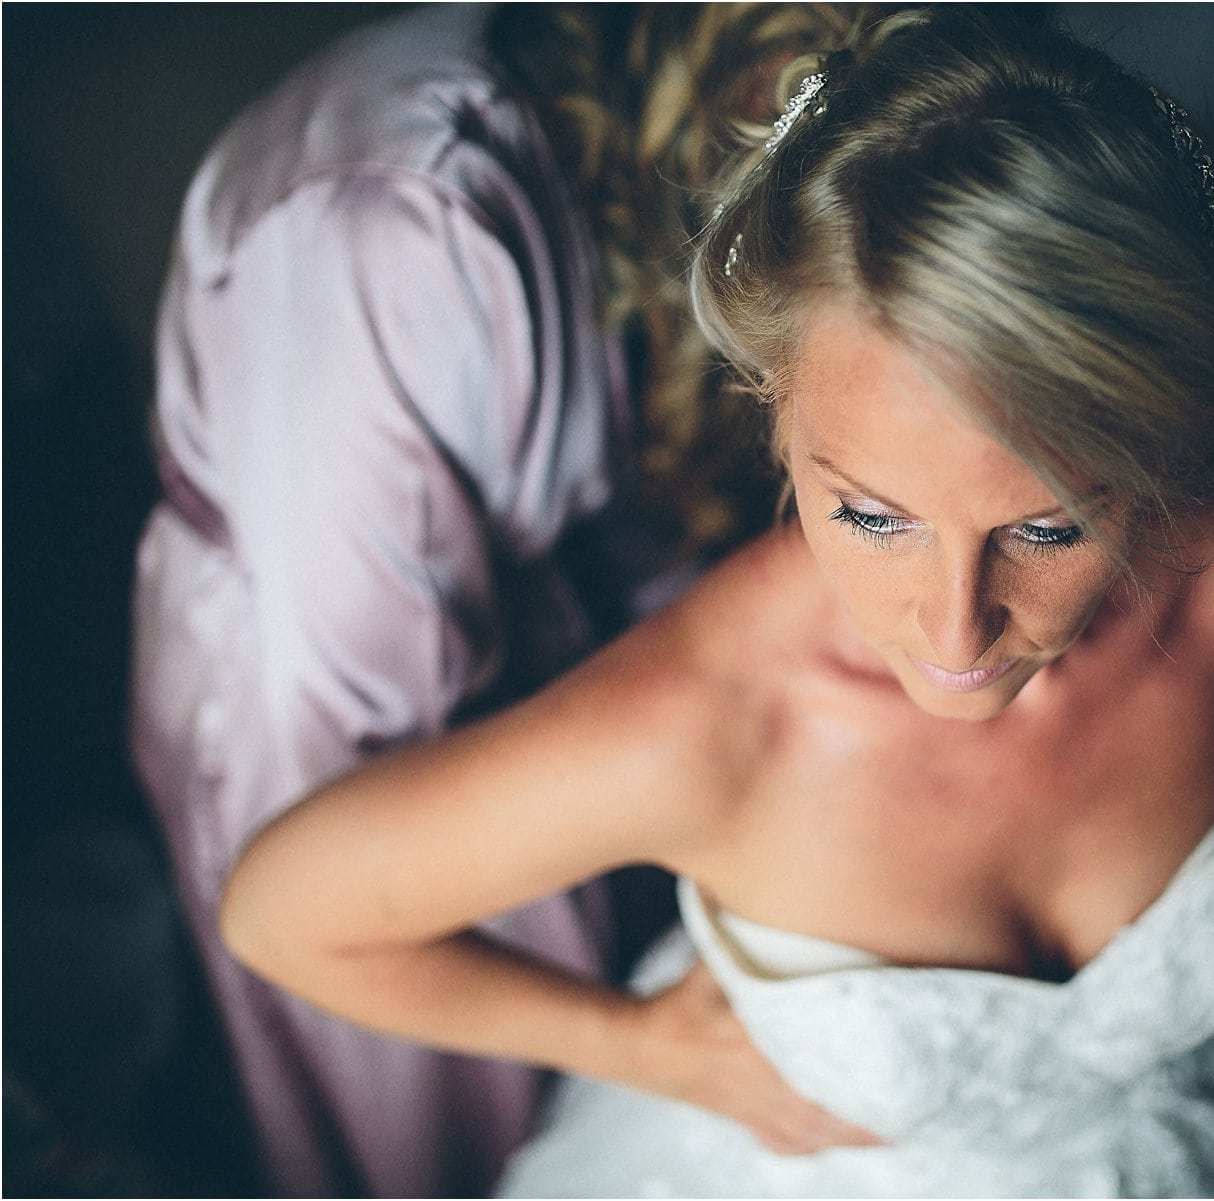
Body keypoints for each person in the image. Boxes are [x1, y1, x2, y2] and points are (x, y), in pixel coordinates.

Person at [218, 8, 1214, 1196]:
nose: (954, 629)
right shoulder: (719, 725)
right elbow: (284, 913)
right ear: (776, 413)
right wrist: (643, 1046)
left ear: (1173, 451)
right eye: (871, 514)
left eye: (1049, 525)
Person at [127, 4, 880, 1195]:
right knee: (427, 1113)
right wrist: (641, 1044)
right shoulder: (397, 220)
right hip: (330, 714)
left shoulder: (647, 131)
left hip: (530, 634)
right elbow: (361, 748)